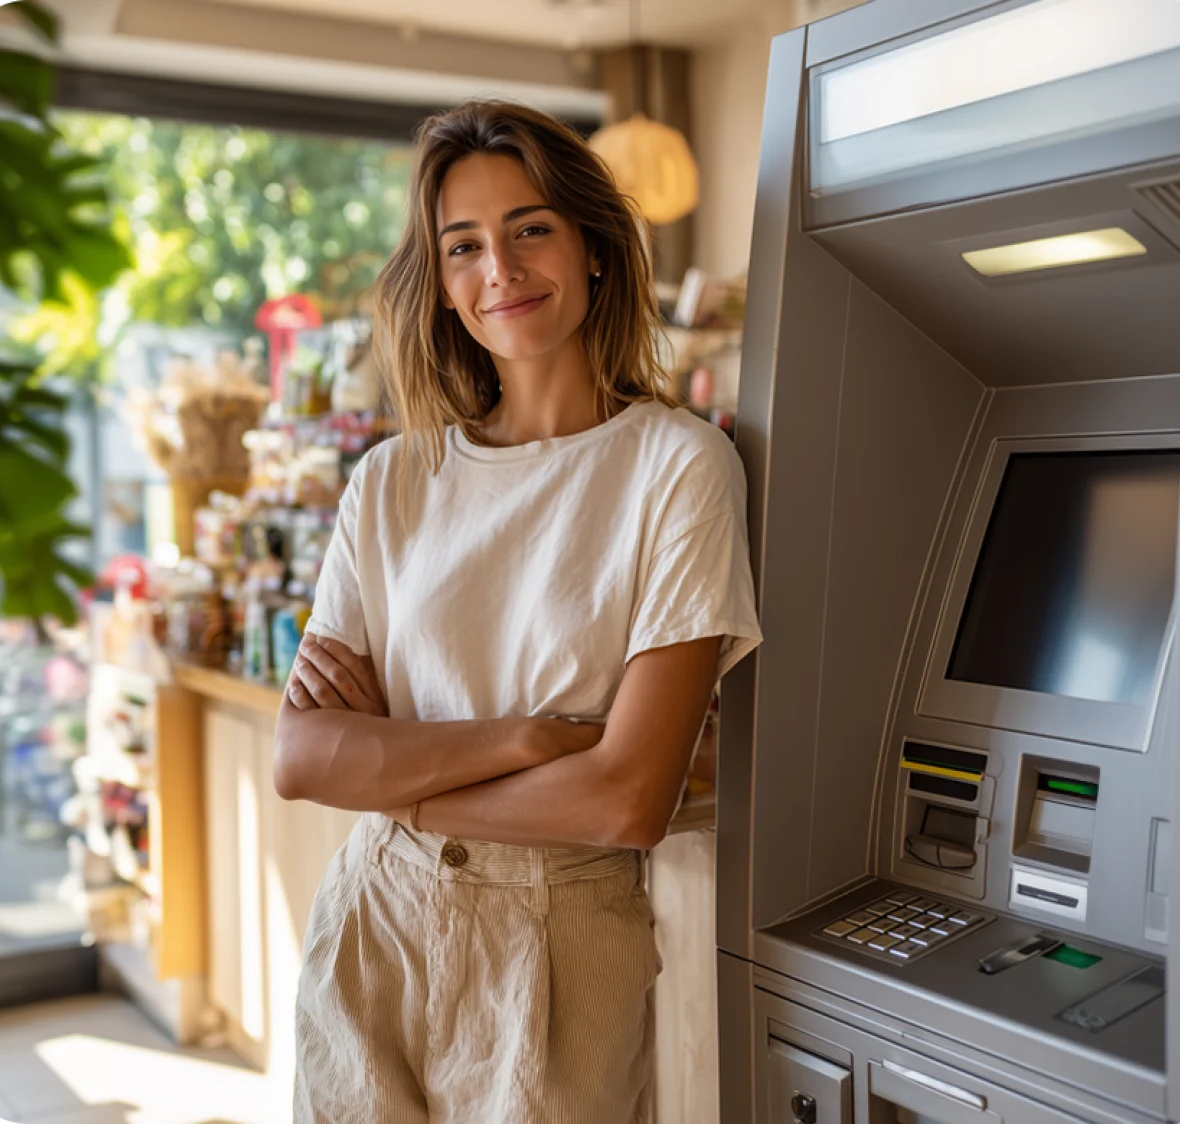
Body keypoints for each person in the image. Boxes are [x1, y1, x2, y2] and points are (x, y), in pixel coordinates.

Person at [273, 99, 763, 1124]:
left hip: (558, 937)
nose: (500, 267)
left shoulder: (678, 467)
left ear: (592, 249)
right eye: (464, 245)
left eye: (530, 227)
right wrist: (532, 736)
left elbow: (626, 798)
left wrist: (396, 780)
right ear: (443, 285)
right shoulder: (389, 481)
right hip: (373, 919)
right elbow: (305, 758)